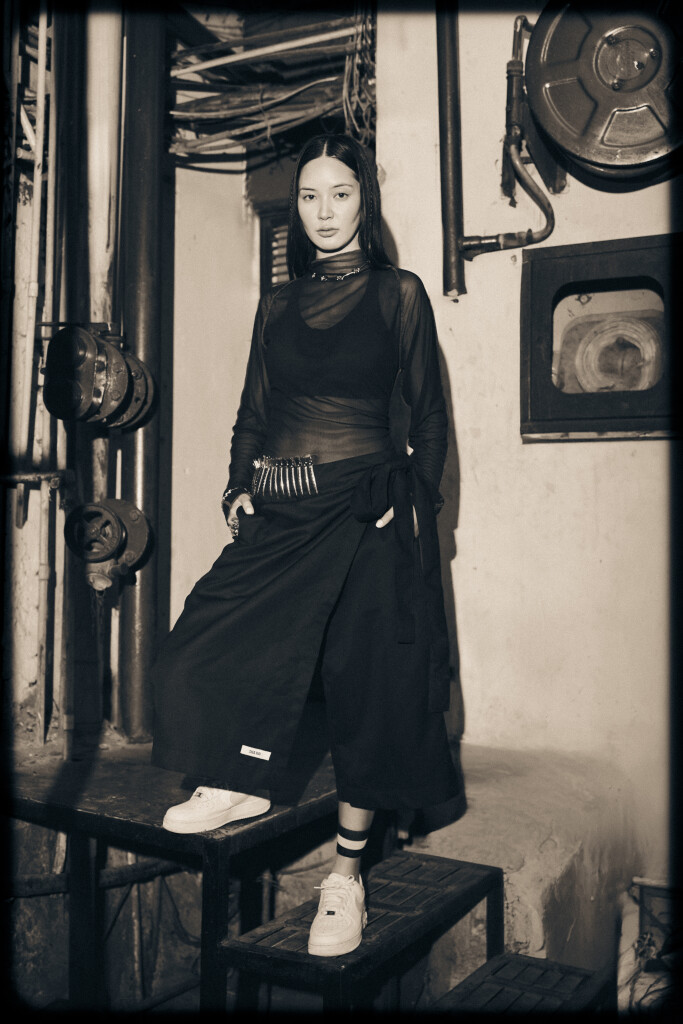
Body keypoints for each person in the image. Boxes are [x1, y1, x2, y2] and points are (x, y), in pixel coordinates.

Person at [151, 133, 465, 958]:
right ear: (295, 207)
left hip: (365, 512)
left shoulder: (399, 293)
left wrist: (412, 497)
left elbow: (429, 415)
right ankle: (239, 780)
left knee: (366, 695)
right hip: (284, 507)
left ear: (365, 200)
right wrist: (237, 484)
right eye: (309, 196)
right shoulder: (276, 305)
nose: (325, 212)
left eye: (340, 193)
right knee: (200, 651)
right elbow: (253, 411)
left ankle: (345, 877)